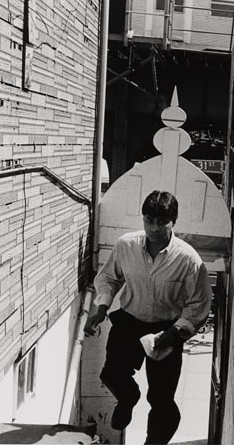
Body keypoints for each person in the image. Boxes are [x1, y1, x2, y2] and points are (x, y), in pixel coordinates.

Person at [85, 190, 211, 443]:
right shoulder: (126, 245)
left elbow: (198, 304)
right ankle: (128, 398)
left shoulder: (189, 259)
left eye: (161, 222)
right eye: (148, 220)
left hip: (167, 329)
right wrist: (101, 307)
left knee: (162, 400)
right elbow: (109, 278)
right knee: (111, 375)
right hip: (129, 322)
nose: (154, 228)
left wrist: (175, 333)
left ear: (173, 221)